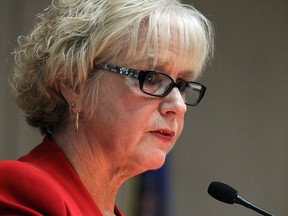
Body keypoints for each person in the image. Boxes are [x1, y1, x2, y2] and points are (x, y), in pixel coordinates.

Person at [0, 0, 213, 215]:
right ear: (74, 84)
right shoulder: (22, 191)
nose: (178, 105)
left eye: (183, 85)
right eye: (151, 78)